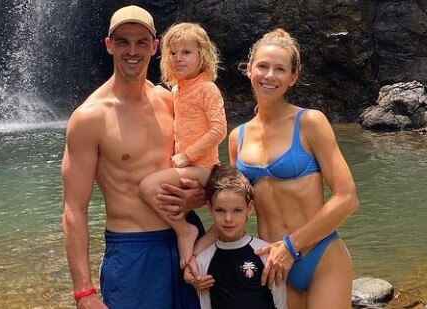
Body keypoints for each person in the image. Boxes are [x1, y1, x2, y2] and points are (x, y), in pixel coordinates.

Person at [187, 29, 359, 309]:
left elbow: (347, 197)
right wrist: (193, 258)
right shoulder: (237, 138)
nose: (269, 76)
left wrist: (291, 247)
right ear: (249, 70)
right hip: (270, 264)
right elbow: (231, 207)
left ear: (293, 77)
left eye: (280, 69)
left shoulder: (310, 123)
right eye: (263, 66)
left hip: (320, 256)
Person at [61, 5, 203, 309]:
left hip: (186, 243)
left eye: (141, 42)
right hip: (133, 251)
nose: (132, 51)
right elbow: (74, 209)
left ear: (154, 47)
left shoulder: (168, 101)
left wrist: (199, 197)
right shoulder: (89, 117)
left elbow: (200, 166)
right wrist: (83, 292)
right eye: (123, 41)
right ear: (109, 45)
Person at [139, 22, 227, 269]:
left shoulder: (207, 89)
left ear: (203, 55)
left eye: (186, 52)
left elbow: (219, 129)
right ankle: (197, 258)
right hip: (190, 167)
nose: (178, 59)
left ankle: (184, 231)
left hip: (205, 167)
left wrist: (187, 156)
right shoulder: (177, 89)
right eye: (173, 53)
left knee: (147, 187)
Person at [195, 164, 287, 309]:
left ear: (249, 208)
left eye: (237, 210)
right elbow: (205, 305)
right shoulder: (203, 260)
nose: (228, 218)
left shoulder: (266, 253)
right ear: (209, 209)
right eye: (220, 210)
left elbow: (280, 303)